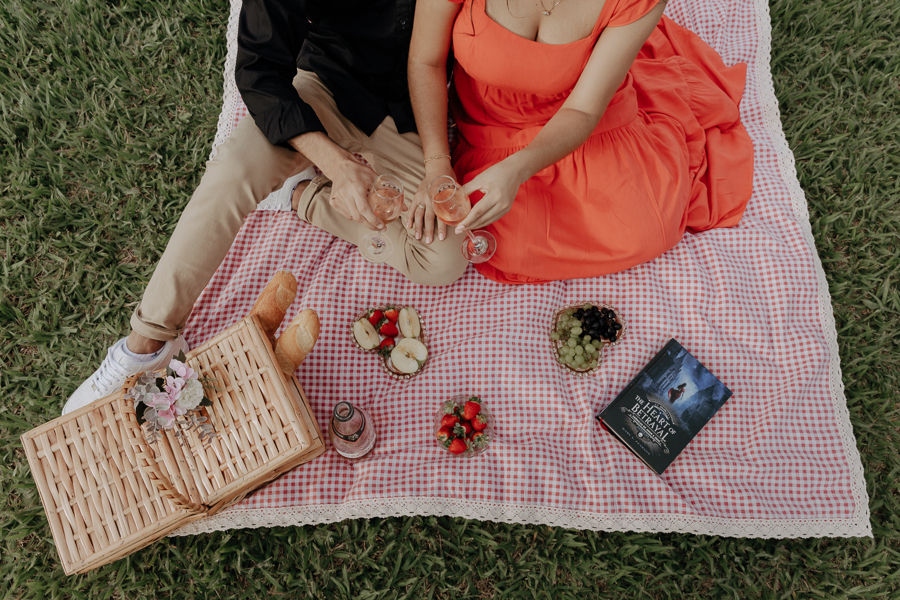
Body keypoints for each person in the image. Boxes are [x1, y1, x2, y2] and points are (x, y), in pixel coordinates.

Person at [63, 0, 468, 415]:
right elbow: (258, 68)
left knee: (446, 257)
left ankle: (302, 196)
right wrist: (335, 162)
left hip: (405, 111)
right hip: (323, 89)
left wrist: (438, 162)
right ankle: (146, 344)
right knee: (232, 172)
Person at [406, 0, 754, 284]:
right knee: (504, 242)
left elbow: (584, 110)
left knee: (646, 232)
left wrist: (516, 170)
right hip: (492, 122)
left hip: (580, 117)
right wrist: (437, 163)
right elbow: (426, 59)